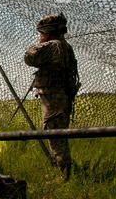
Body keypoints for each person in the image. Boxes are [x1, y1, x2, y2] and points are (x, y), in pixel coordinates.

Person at [24, 13, 80, 180]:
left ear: (48, 32)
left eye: (42, 33)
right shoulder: (64, 46)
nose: (41, 36)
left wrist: (41, 43)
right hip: (60, 97)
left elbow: (29, 57)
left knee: (55, 135)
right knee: (58, 135)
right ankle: (64, 170)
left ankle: (65, 176)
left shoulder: (53, 45)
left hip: (54, 98)